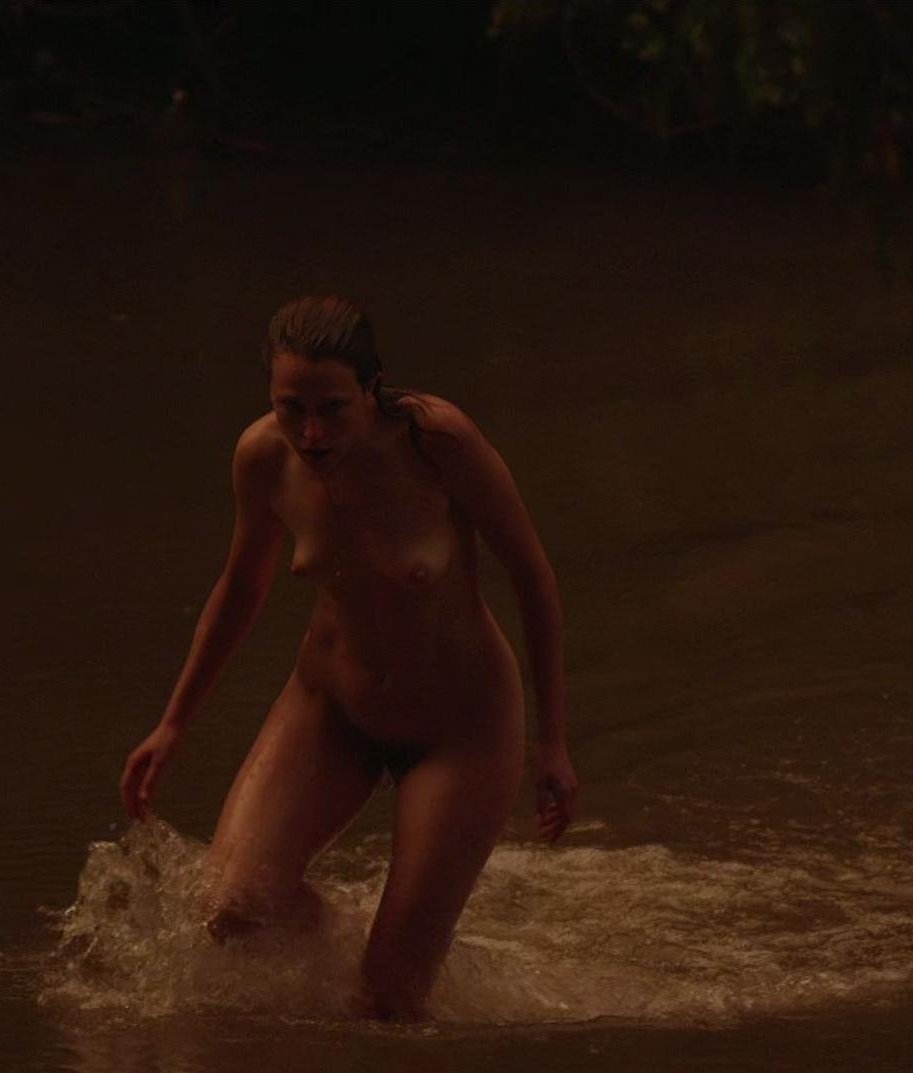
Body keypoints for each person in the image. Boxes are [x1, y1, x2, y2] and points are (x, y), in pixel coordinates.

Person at [117, 294, 577, 1021]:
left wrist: (552, 742)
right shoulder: (264, 457)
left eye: (332, 408)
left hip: (459, 726)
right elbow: (241, 586)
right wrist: (174, 722)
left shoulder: (439, 442)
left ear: (371, 388)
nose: (311, 432)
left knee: (390, 998)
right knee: (231, 910)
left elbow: (534, 578)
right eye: (291, 407)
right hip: (332, 705)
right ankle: (347, 945)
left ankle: (393, 955)